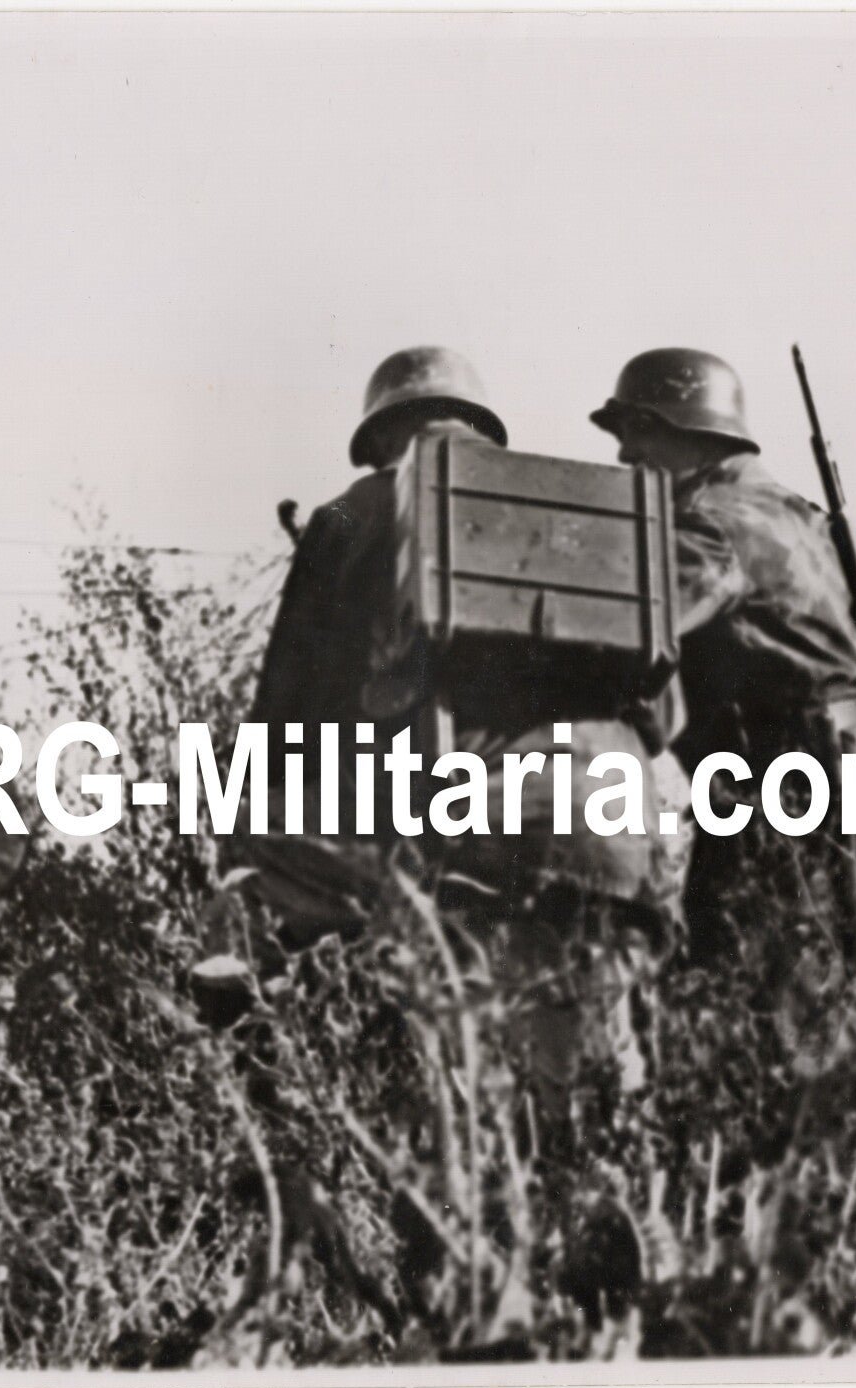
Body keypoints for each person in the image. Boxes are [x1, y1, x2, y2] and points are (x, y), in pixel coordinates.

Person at [236, 346, 690, 1127]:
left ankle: (285, 1140)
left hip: (471, 838)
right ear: (484, 430)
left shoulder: (350, 513)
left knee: (468, 1124)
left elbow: (287, 722)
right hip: (614, 837)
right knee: (593, 1109)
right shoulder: (591, 514)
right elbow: (666, 711)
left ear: (381, 438)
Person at [588, 347, 856, 974]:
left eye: (639, 432)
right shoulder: (798, 516)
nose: (624, 455)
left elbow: (621, 638)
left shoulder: (711, 527)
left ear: (693, 431)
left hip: (802, 794)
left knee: (769, 1021)